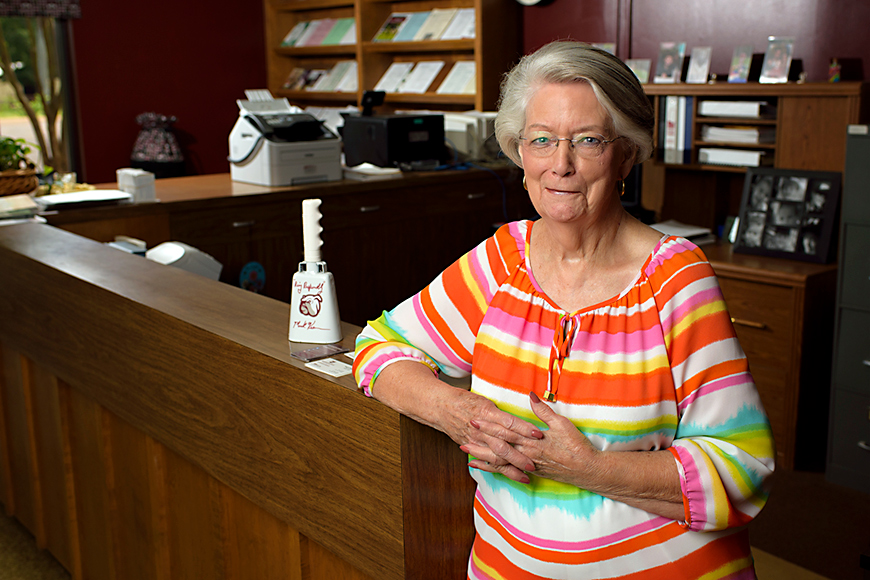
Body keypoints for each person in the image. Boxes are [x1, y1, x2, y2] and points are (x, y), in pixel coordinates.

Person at [353, 41, 774, 579]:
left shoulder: (675, 280)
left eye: (588, 141)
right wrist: (455, 411)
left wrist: (589, 469)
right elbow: (377, 348)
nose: (561, 164)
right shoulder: (500, 261)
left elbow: (744, 472)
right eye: (542, 140)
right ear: (518, 151)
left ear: (626, 154)